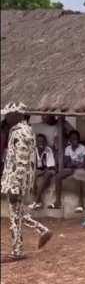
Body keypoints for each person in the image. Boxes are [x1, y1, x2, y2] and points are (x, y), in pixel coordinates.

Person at [1, 103, 52, 263]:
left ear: (17, 114)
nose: (6, 117)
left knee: (15, 215)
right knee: (17, 212)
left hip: (16, 180)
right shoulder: (23, 130)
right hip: (17, 179)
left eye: (8, 114)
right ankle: (42, 230)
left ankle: (17, 250)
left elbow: (22, 161)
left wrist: (15, 184)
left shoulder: (20, 132)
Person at [49, 130, 85, 212]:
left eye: (76, 138)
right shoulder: (68, 149)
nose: (74, 140)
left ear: (78, 139)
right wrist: (73, 164)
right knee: (58, 176)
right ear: (70, 140)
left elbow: (84, 163)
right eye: (72, 138)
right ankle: (57, 202)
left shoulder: (82, 148)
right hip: (71, 168)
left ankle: (80, 204)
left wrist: (74, 164)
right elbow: (67, 163)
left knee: (79, 176)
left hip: (80, 168)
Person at [31, 134, 56, 210]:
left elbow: (49, 167)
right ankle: (39, 202)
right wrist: (35, 173)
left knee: (47, 174)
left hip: (48, 170)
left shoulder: (48, 150)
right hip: (37, 170)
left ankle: (36, 201)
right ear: (36, 142)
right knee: (33, 176)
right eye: (39, 141)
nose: (40, 143)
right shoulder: (33, 150)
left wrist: (39, 173)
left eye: (42, 141)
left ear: (45, 142)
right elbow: (31, 165)